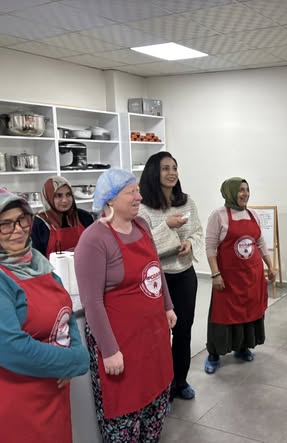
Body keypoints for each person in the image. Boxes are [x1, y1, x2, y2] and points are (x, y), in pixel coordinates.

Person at [74, 168, 176, 442]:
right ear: (110, 199)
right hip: (121, 346)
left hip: (153, 339)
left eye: (138, 191)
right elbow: (92, 302)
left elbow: (155, 269)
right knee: (125, 417)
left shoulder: (142, 225)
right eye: (131, 192)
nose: (139, 197)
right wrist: (109, 351)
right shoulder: (94, 239)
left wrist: (167, 305)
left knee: (155, 406)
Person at [0, 189, 89, 443]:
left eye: (22, 220)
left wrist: (74, 354)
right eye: (5, 224)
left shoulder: (38, 263)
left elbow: (65, 314)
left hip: (55, 394)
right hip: (20, 401)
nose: (17, 230)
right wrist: (74, 360)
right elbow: (12, 348)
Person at [138, 152, 203, 401]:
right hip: (157, 280)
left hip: (185, 275)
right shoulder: (142, 208)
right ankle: (163, 384)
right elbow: (141, 245)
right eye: (165, 168)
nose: (172, 173)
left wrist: (189, 242)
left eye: (174, 167)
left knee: (183, 331)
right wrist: (167, 226)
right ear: (154, 172)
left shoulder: (187, 202)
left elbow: (197, 231)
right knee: (160, 335)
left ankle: (180, 381)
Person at [204, 177, 276, 374]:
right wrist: (215, 274)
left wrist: (270, 265)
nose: (245, 194)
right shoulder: (218, 215)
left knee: (249, 312)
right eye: (240, 190)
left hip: (252, 275)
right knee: (222, 314)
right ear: (230, 192)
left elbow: (260, 242)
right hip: (228, 277)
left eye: (247, 189)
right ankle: (214, 354)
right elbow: (210, 247)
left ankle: (242, 348)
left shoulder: (252, 214)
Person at [31, 176, 94, 257]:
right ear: (49, 197)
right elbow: (36, 258)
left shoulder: (85, 217)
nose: (65, 200)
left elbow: (95, 248)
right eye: (58, 195)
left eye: (68, 194)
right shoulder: (38, 223)